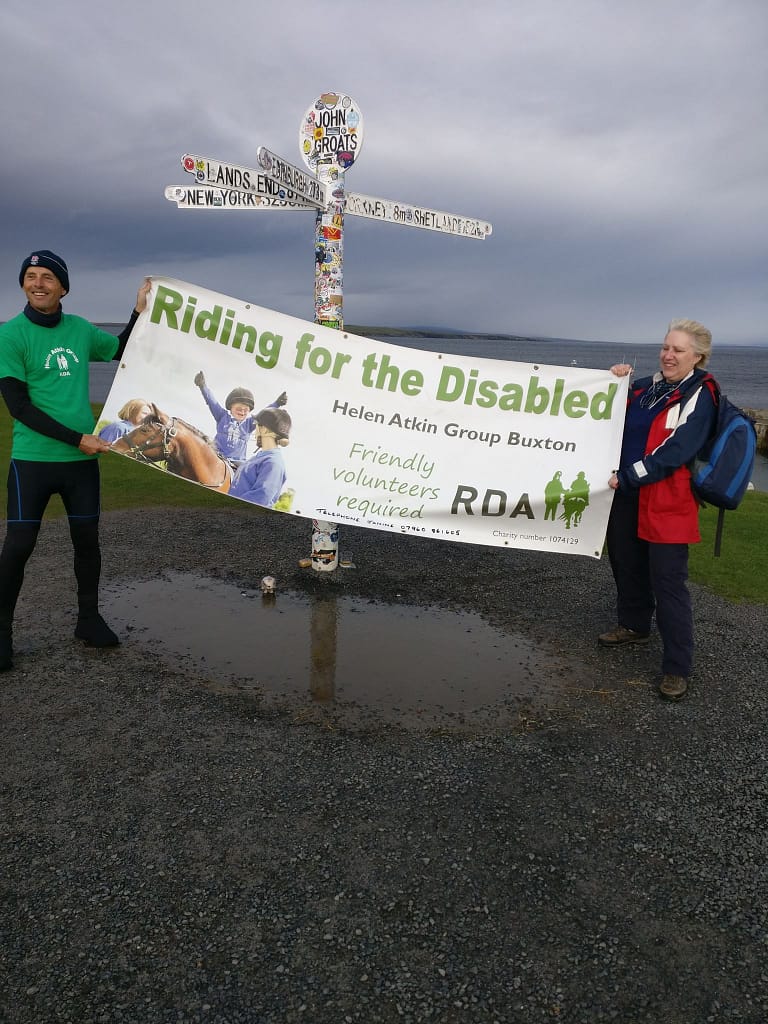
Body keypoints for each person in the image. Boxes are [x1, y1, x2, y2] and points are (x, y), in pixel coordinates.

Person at [0, 250, 151, 671]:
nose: (38, 283)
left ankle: (88, 620)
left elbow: (120, 349)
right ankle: (1, 635)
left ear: (63, 287)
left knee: (86, 541)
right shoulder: (10, 335)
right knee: (18, 546)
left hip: (80, 466)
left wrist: (137, 311)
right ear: (23, 284)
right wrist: (76, 438)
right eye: (30, 276)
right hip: (32, 461)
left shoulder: (81, 330)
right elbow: (18, 406)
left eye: (47, 277)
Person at [598, 318, 719, 701]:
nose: (668, 355)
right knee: (626, 562)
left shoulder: (702, 395)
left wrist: (630, 475)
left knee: (668, 581)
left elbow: (678, 451)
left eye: (678, 350)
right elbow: (608, 413)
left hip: (668, 501)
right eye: (666, 347)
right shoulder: (645, 388)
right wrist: (615, 380)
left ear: (697, 356)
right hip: (628, 495)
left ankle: (677, 667)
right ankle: (634, 625)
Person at [193, 370, 287, 464]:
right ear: (231, 407)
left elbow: (264, 414)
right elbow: (212, 402)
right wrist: (203, 386)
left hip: (237, 462)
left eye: (246, 410)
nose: (242, 412)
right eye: (239, 408)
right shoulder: (222, 416)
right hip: (216, 456)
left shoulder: (249, 424)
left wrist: (277, 404)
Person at [229, 406, 291, 508]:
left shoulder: (273, 463)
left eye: (256, 425)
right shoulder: (259, 457)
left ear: (265, 429)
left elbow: (260, 499)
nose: (255, 431)